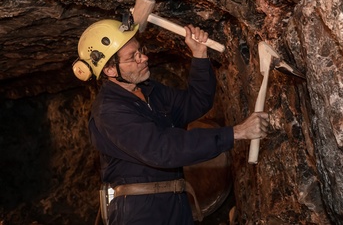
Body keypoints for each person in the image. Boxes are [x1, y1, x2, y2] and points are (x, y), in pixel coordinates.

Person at [72, 19, 268, 225]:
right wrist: (236, 133)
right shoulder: (109, 110)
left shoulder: (151, 91)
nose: (144, 58)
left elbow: (196, 102)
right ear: (110, 70)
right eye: (133, 57)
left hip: (176, 203)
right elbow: (162, 149)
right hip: (140, 211)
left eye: (141, 50)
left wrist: (200, 54)